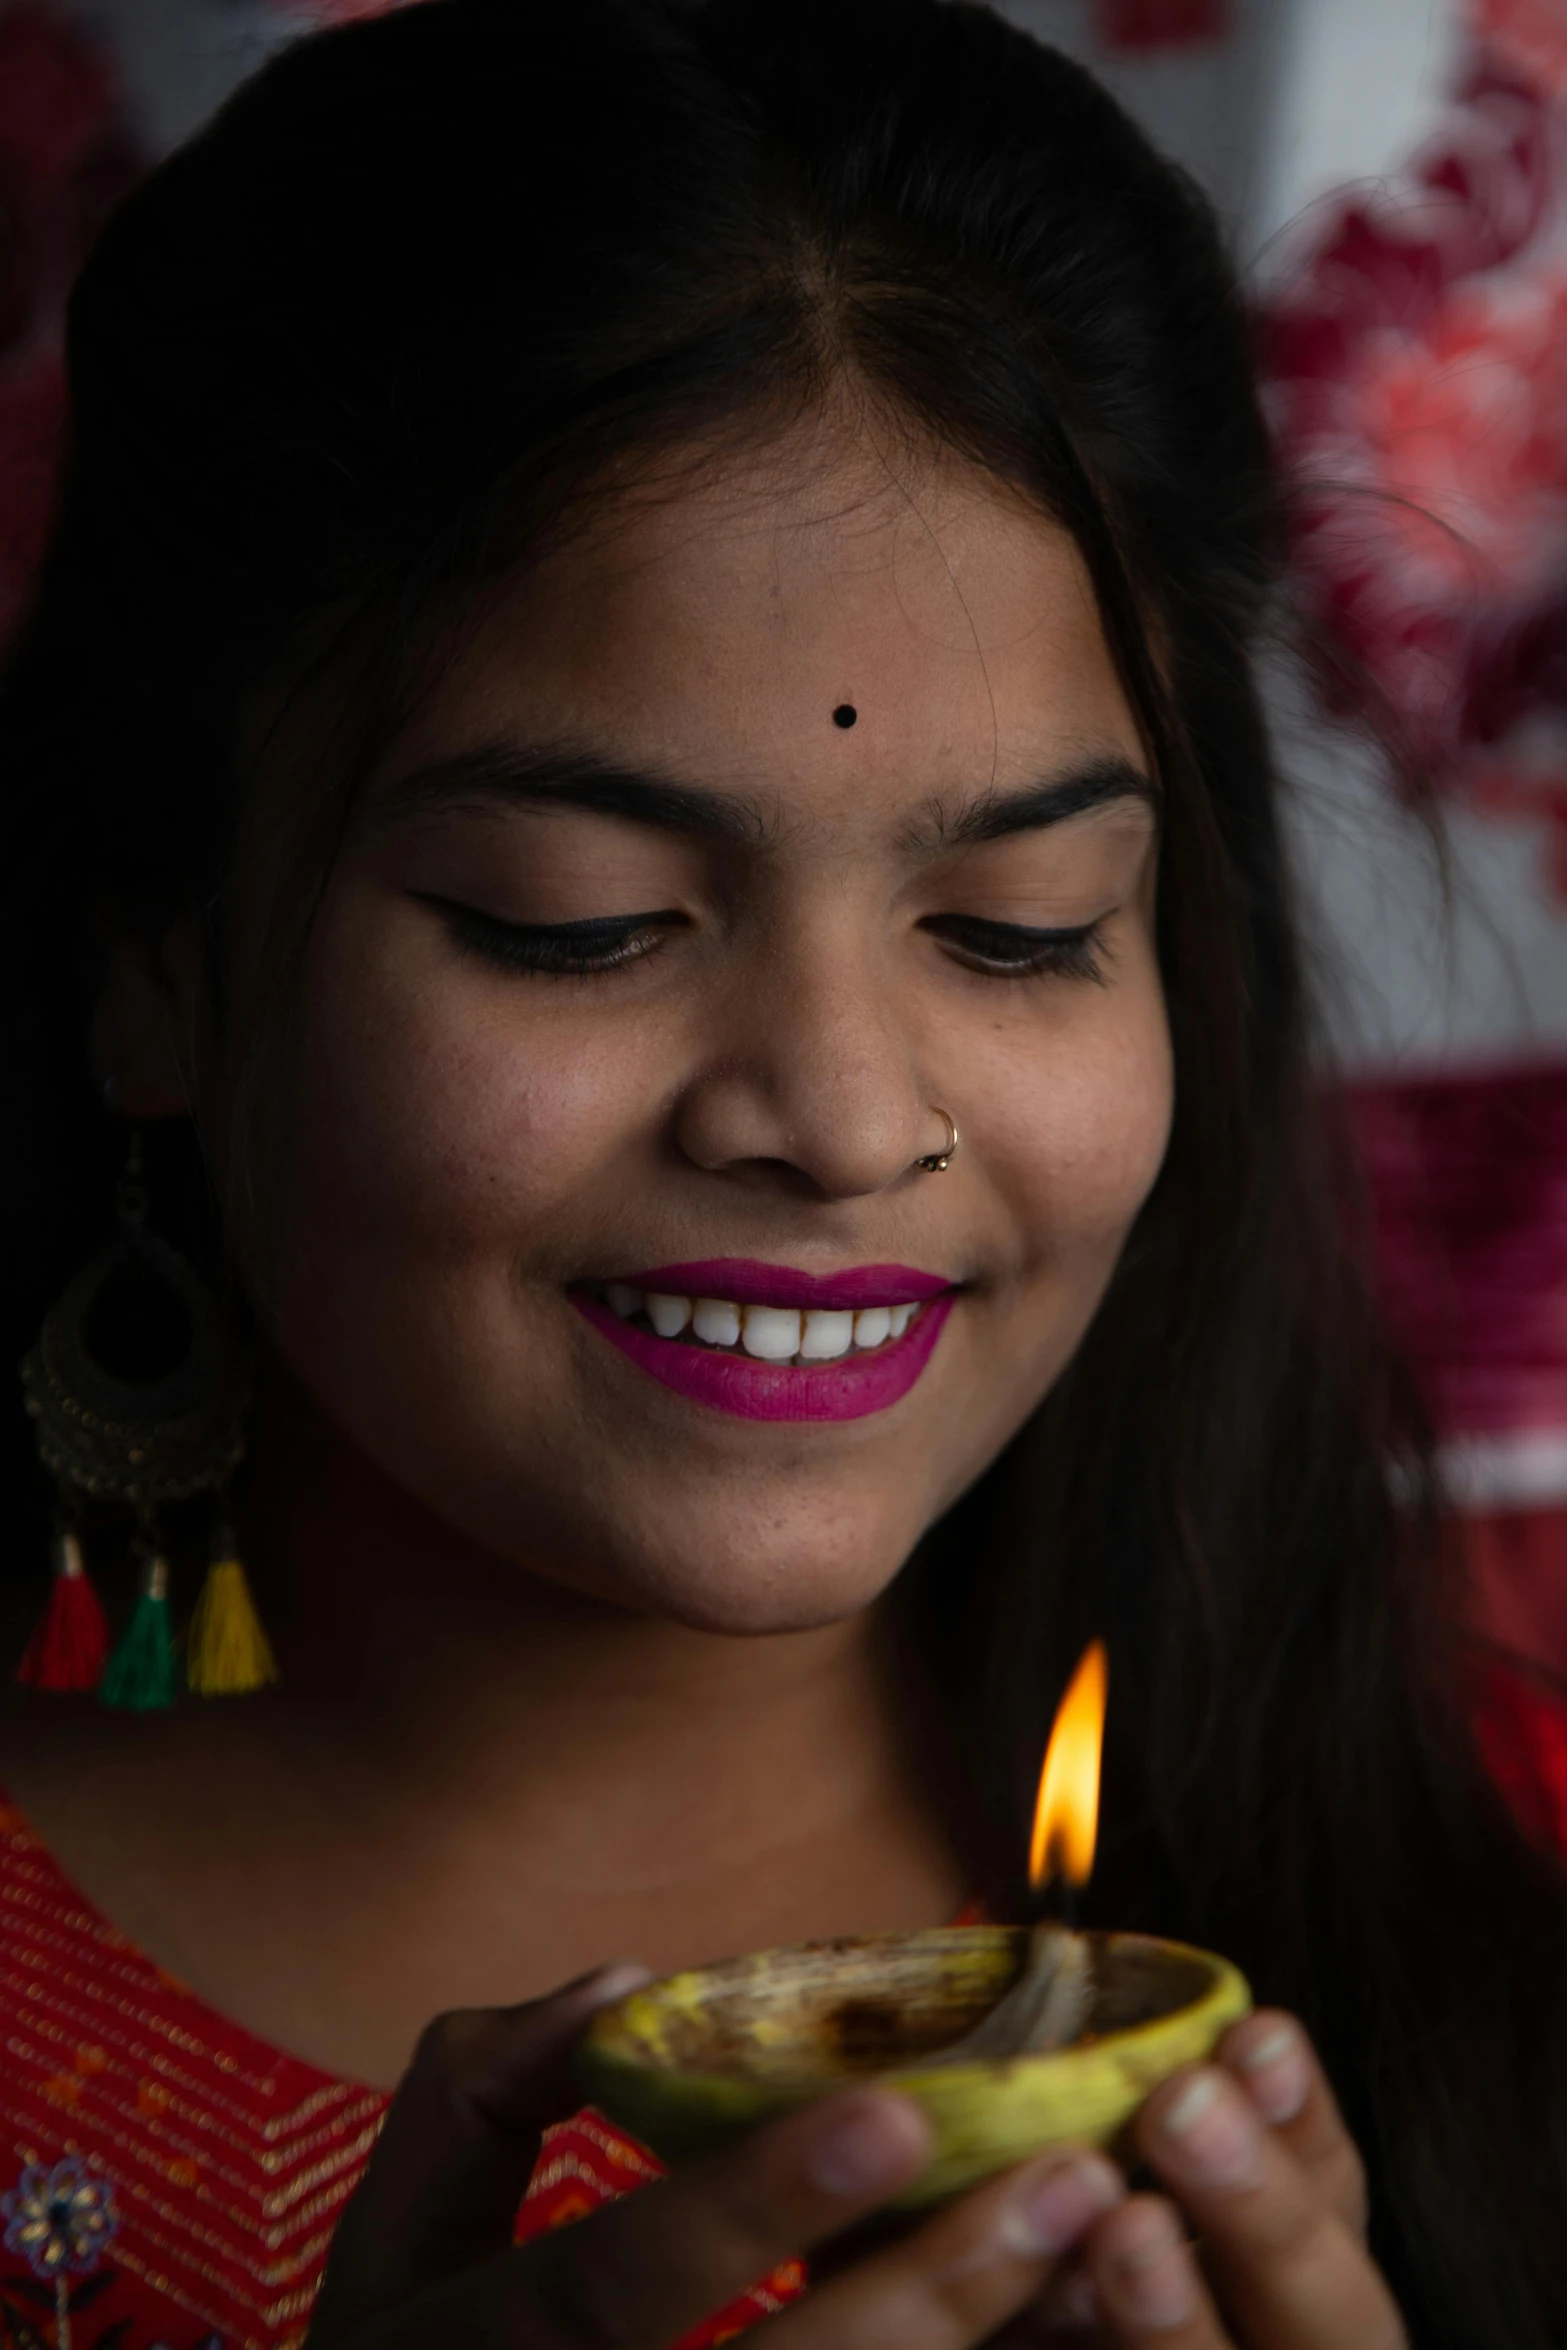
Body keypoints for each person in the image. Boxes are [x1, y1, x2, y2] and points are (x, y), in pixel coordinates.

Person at [0, 1, 1562, 2344]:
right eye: (578, 918)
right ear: (160, 960)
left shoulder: (1507, 1893)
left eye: (1017, 934)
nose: (843, 1113)